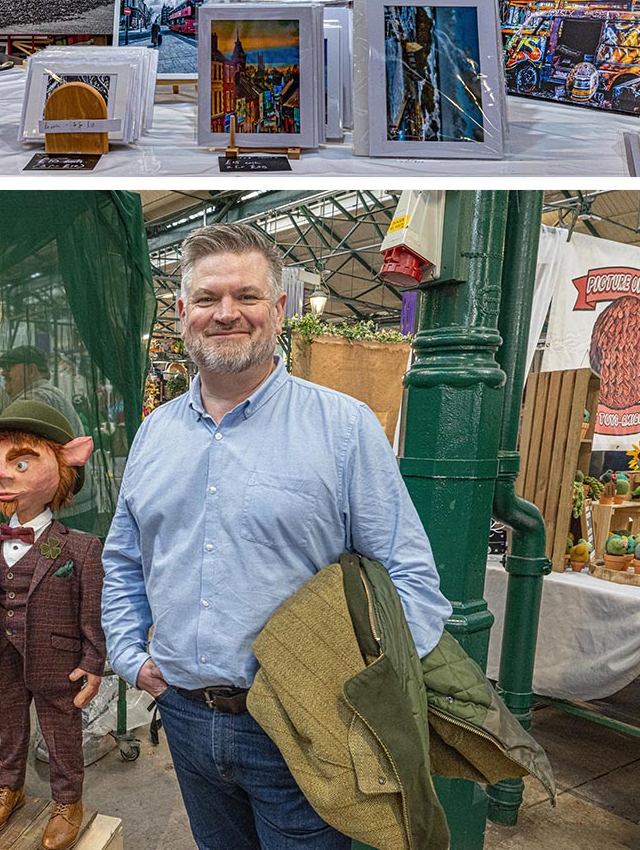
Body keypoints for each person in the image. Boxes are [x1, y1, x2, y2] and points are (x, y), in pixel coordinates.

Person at [101, 221, 449, 850]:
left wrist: (356, 703)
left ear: (280, 308)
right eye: (207, 299)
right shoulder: (155, 433)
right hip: (183, 715)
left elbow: (411, 581)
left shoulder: (343, 428)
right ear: (182, 313)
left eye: (247, 296)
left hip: (303, 727)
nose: (226, 314)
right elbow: (124, 560)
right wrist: (131, 656)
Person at [0, 399, 104, 850]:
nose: (2, 473)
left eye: (21, 462)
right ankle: (9, 787)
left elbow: (91, 612)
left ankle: (68, 800)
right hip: (7, 659)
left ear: (64, 465)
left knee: (62, 732)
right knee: (11, 727)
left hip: (57, 659)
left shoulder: (77, 549)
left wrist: (94, 662)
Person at [0, 345, 66, 410]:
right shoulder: (55, 394)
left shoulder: (33, 399)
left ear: (31, 370)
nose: (3, 373)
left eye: (8, 367)